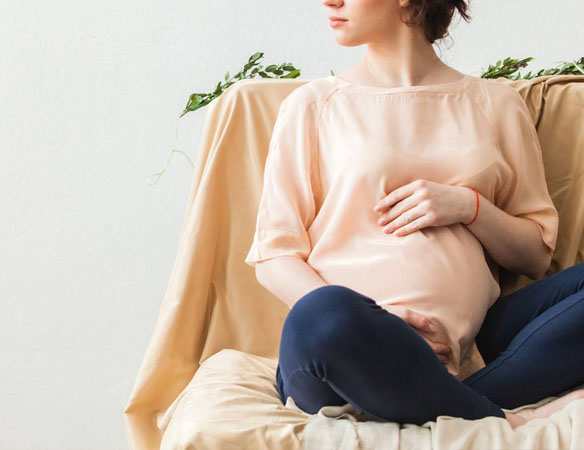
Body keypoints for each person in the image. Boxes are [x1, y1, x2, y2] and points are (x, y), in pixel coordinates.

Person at [245, 0, 584, 430]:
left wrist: (469, 207)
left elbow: (534, 255)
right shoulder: (313, 105)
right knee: (321, 314)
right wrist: (379, 325)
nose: (329, 1)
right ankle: (504, 418)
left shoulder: (495, 103)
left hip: (468, 344)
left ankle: (424, 397)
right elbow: (274, 256)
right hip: (341, 348)